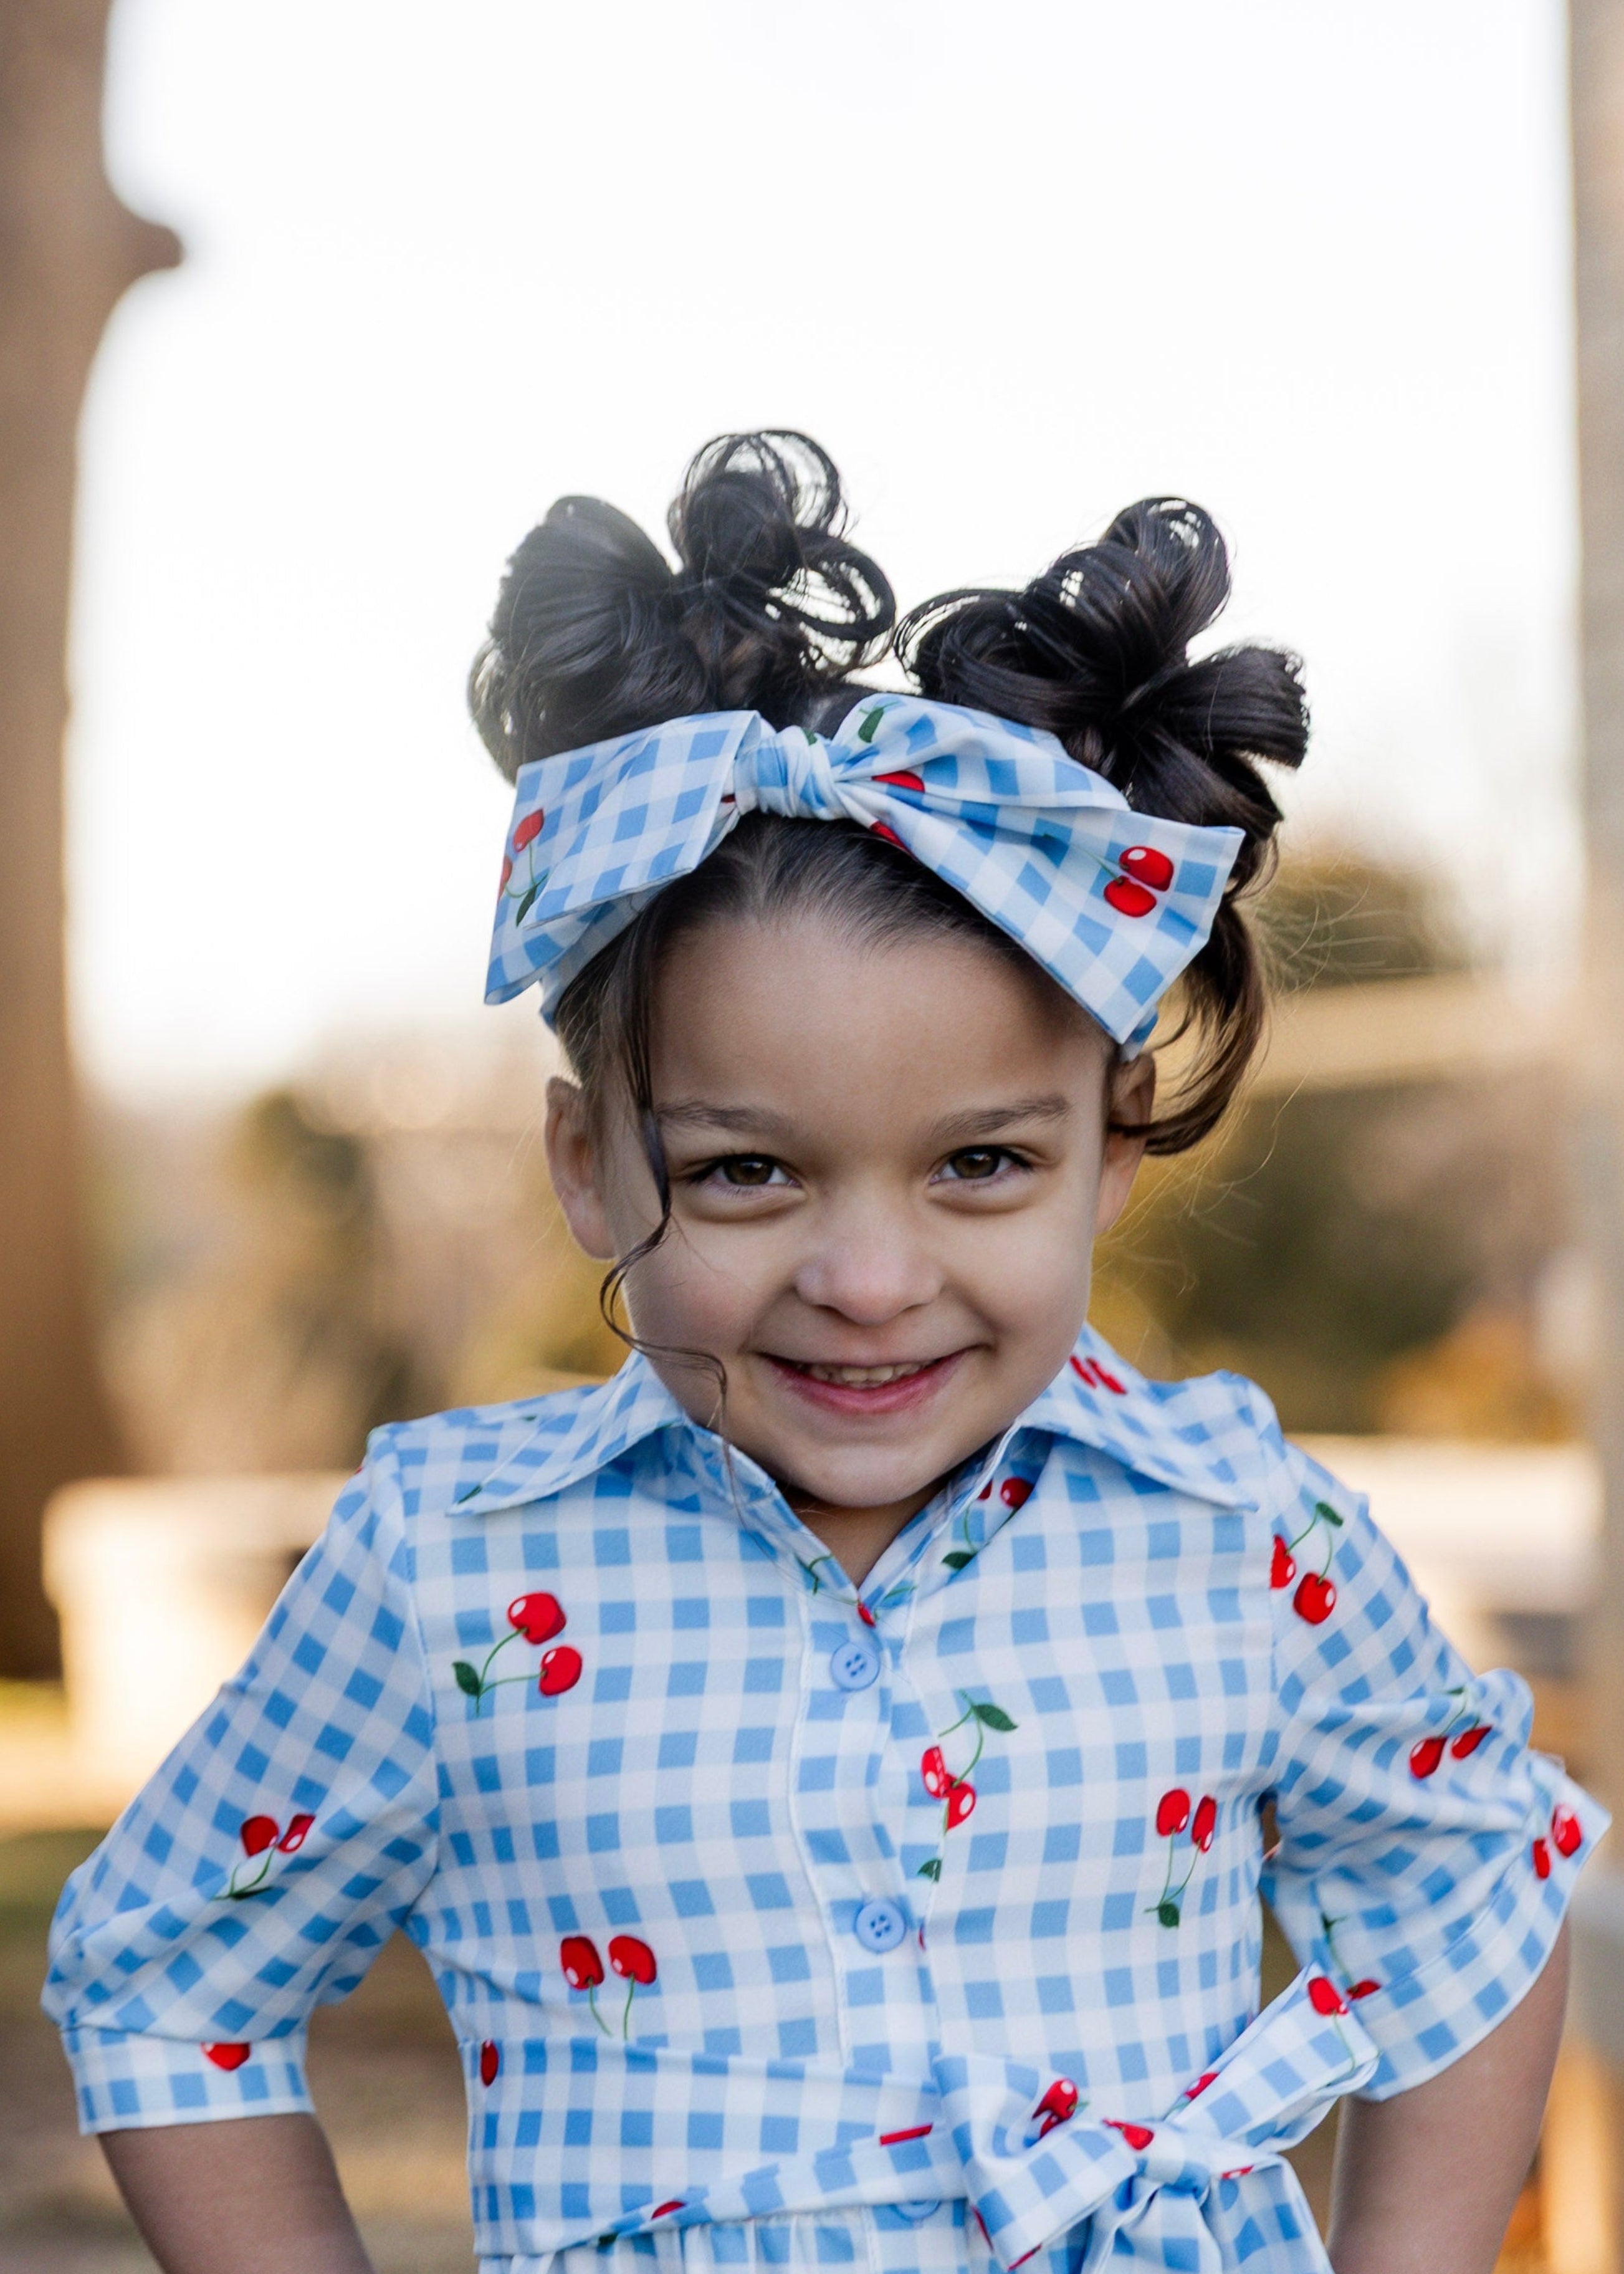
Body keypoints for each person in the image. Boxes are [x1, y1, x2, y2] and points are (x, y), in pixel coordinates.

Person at [45, 432, 1600, 2274]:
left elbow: (1476, 1884)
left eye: (981, 1166)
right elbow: (168, 1971)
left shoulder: (1241, 1533)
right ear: (586, 1163)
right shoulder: (450, 1566)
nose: (870, 1280)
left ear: (1110, 1151)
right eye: (747, 1171)